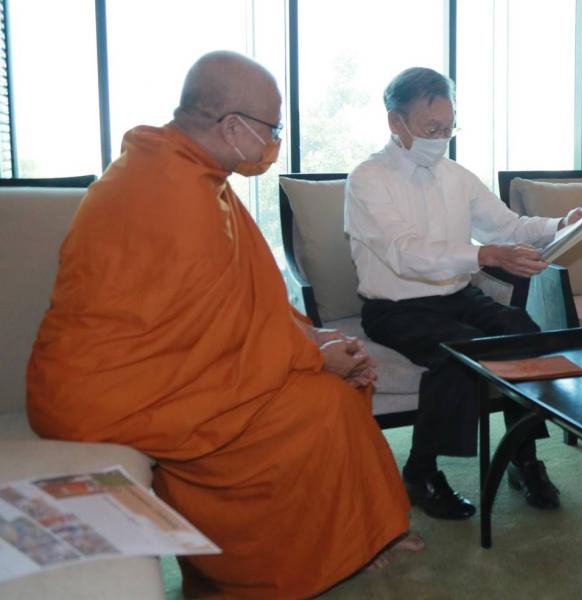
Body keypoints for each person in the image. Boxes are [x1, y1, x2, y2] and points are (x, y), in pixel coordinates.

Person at [27, 51, 421, 599]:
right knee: (322, 405)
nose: (276, 142)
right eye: (272, 129)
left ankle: (362, 535)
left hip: (162, 367)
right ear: (233, 127)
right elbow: (218, 336)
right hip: (113, 391)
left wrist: (313, 338)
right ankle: (260, 571)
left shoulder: (180, 166)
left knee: (334, 390)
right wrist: (314, 356)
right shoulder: (175, 195)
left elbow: (236, 307)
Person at [344, 67, 582, 520]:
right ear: (395, 121)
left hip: (455, 296)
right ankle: (420, 472)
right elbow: (405, 253)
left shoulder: (456, 175)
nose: (441, 138)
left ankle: (522, 457)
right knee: (460, 353)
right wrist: (485, 256)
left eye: (448, 128)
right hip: (394, 307)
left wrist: (559, 224)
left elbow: (508, 226)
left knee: (522, 330)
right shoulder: (368, 180)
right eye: (430, 128)